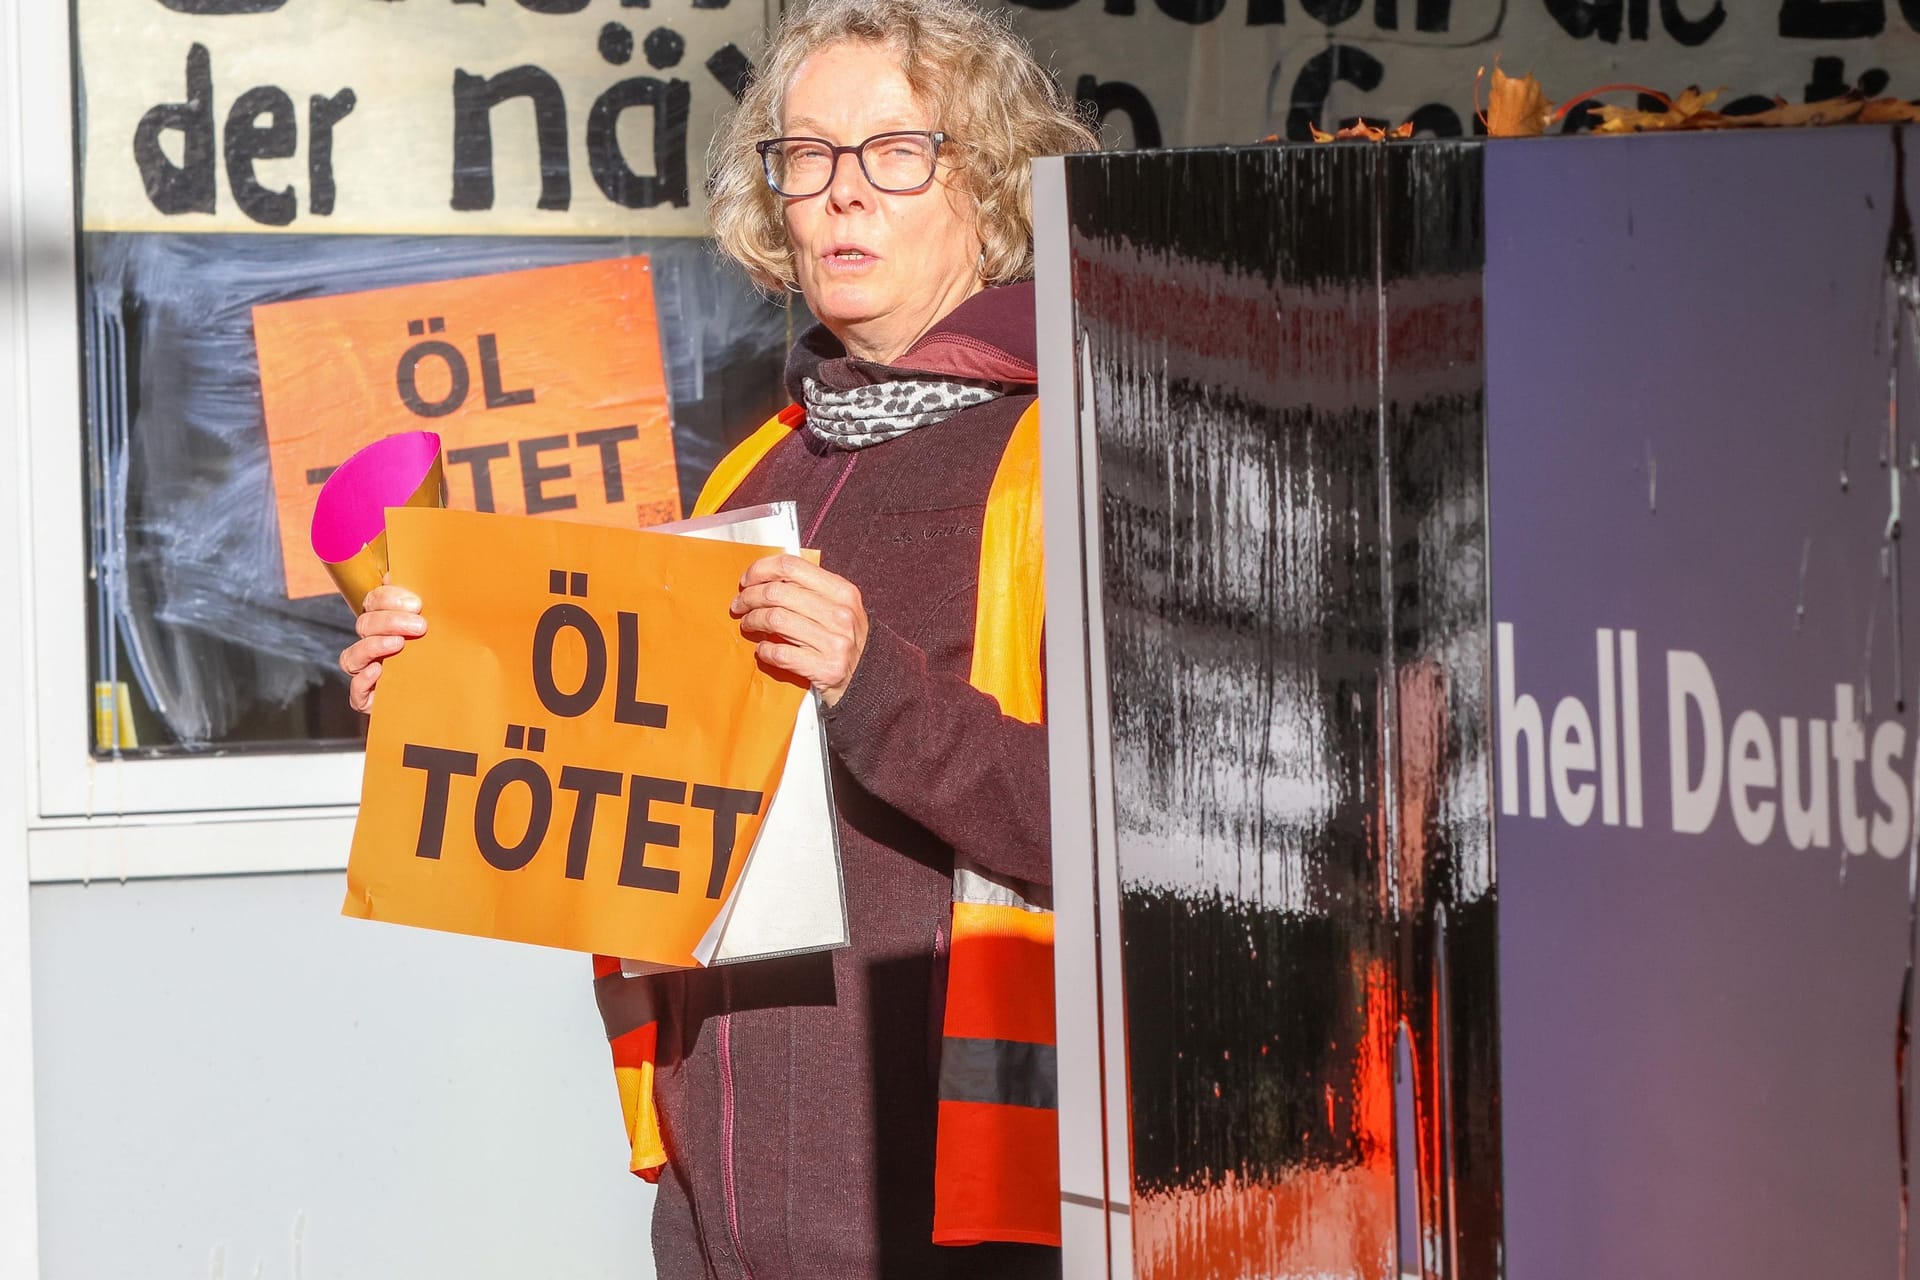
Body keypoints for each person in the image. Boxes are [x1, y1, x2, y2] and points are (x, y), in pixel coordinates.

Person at [339, 1, 1095, 1275]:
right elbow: (629, 815)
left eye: (896, 150)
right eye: (807, 157)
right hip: (720, 1211)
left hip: (971, 1218)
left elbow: (1132, 841)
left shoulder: (1068, 455)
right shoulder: (751, 469)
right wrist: (447, 691)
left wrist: (872, 689)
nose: (842, 195)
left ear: (994, 185)